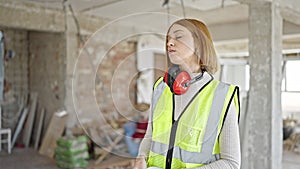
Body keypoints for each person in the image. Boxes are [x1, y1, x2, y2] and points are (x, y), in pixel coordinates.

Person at [133, 19, 241, 169]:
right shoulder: (160, 88)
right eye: (168, 38)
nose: (169, 42)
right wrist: (141, 157)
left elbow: (231, 163)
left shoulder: (222, 96)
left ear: (199, 43)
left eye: (178, 37)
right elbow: (150, 135)